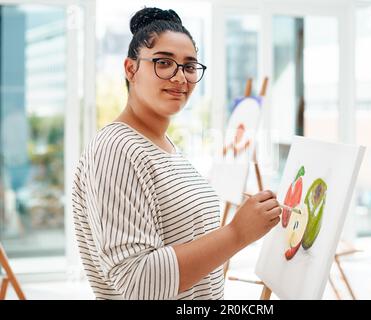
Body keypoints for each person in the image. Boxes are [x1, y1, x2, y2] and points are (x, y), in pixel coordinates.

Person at [71, 7, 281, 300]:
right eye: (164, 63)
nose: (180, 78)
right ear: (131, 69)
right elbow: (137, 281)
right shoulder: (117, 148)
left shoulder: (165, 145)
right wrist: (237, 233)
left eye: (189, 66)